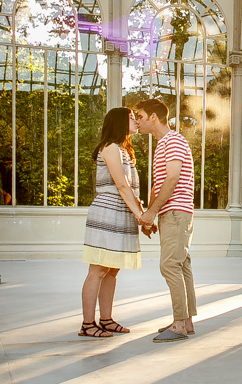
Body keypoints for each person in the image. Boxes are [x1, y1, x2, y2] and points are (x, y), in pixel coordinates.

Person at [78, 107, 147, 338]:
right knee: (97, 269)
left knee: (111, 271)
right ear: (119, 122)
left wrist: (140, 213)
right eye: (131, 117)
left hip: (122, 213)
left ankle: (105, 319)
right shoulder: (109, 148)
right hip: (108, 213)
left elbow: (130, 191)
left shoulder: (123, 150)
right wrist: (141, 217)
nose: (136, 121)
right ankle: (88, 324)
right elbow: (121, 186)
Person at [134, 98, 197, 343]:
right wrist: (151, 215)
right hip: (170, 212)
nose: (137, 121)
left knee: (169, 265)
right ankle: (186, 321)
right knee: (181, 265)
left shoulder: (173, 140)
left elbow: (172, 179)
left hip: (176, 211)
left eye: (139, 116)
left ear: (152, 117)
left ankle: (180, 324)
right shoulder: (162, 144)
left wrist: (151, 213)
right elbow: (158, 184)